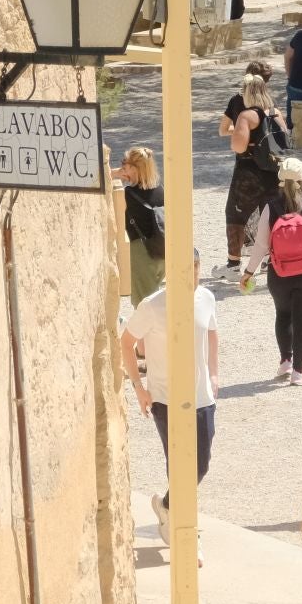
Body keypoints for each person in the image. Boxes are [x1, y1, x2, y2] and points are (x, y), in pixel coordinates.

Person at [120, 247, 217, 564]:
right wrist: (138, 387)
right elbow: (126, 342)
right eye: (187, 269)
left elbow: (211, 333)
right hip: (164, 399)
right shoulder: (153, 305)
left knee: (199, 465)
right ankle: (187, 536)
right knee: (179, 467)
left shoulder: (205, 297)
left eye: (196, 268)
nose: (193, 276)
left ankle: (168, 505)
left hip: (202, 398)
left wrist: (214, 374)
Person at [242, 156, 302, 386]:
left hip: (280, 272)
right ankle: (298, 372)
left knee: (283, 315)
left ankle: (285, 361)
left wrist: (249, 271)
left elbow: (262, 244)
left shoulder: (271, 207)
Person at [222, 70, 286, 280]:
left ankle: (233, 264)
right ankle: (272, 261)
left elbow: (238, 147)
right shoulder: (276, 113)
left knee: (235, 215)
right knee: (271, 216)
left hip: (248, 172)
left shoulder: (247, 115)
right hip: (273, 172)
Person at [119, 146, 166, 309]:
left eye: (125, 165)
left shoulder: (127, 194)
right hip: (161, 250)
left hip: (141, 253)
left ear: (133, 168)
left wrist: (116, 175)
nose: (122, 167)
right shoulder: (160, 190)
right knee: (155, 299)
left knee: (144, 306)